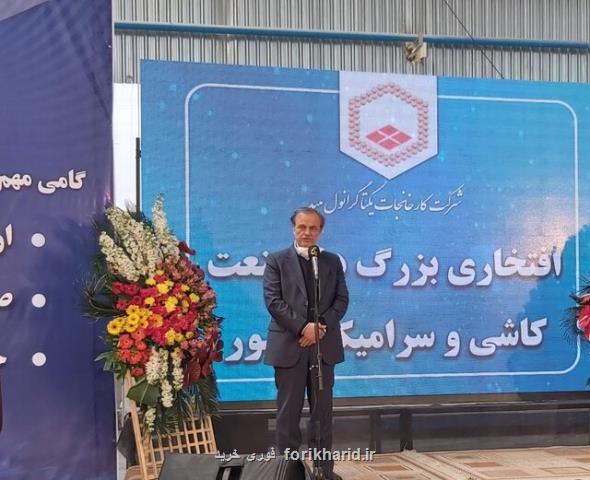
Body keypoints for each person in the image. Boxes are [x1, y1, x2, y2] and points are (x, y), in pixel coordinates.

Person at [263, 207, 349, 480]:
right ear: (293, 228)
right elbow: (273, 301)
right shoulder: (276, 260)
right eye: (302, 227)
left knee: (322, 414)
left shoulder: (331, 261)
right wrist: (304, 327)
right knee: (288, 414)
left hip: (323, 346)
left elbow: (341, 300)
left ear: (320, 231)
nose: (307, 232)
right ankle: (288, 472)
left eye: (313, 228)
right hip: (291, 345)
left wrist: (319, 327)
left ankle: (324, 471)